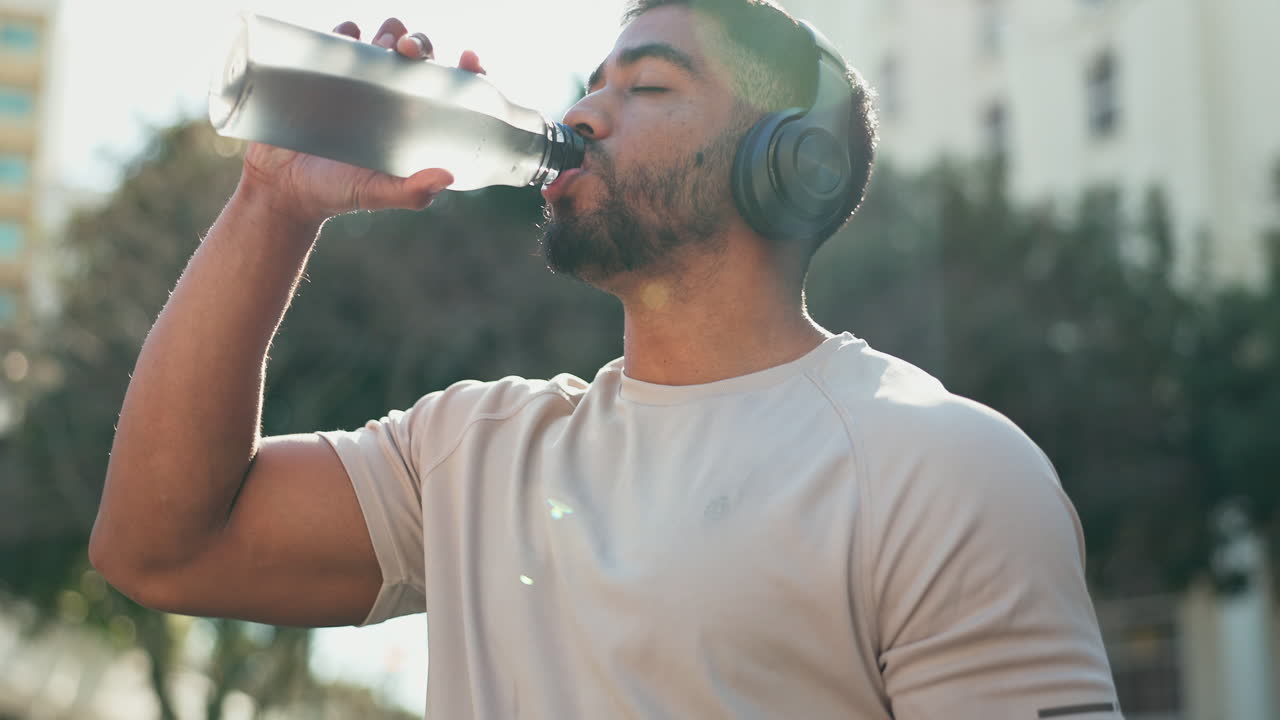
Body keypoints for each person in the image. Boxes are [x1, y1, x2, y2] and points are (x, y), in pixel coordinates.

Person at [90, 1, 1124, 717]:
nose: (581, 115)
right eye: (589, 85)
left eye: (647, 85)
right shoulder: (473, 451)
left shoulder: (939, 467)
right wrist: (271, 203)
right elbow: (159, 548)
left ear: (786, 165)